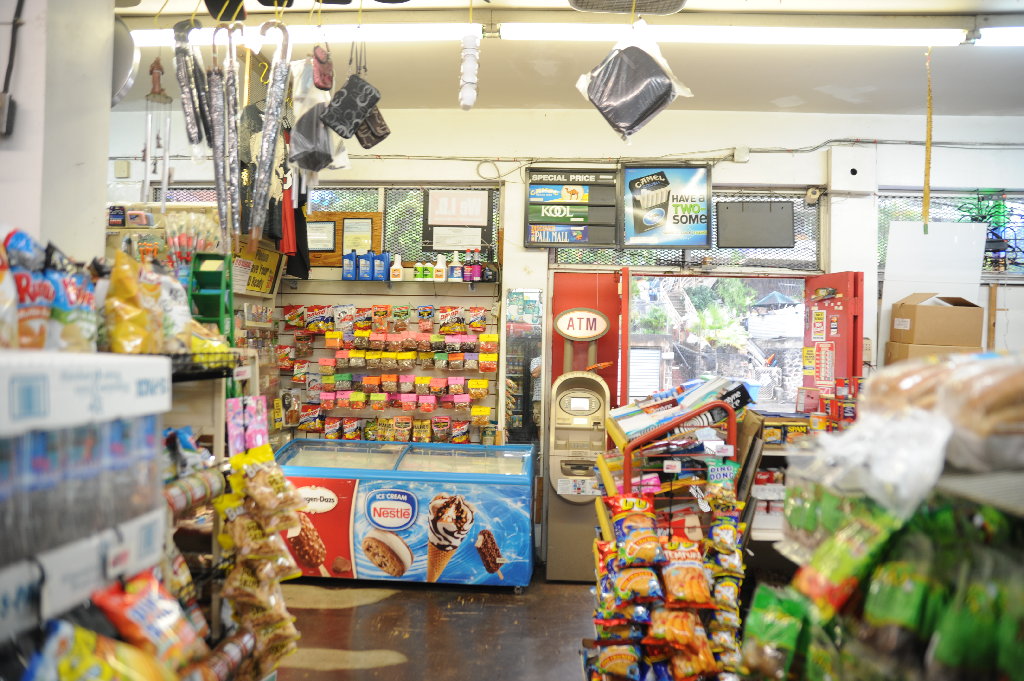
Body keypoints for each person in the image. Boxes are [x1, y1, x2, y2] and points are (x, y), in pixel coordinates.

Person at [530, 355, 543, 428]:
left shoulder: (555, 359)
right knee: (539, 424)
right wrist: (544, 362)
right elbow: (535, 374)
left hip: (553, 397)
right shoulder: (536, 360)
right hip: (539, 398)